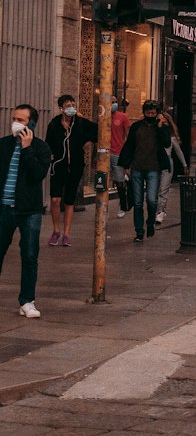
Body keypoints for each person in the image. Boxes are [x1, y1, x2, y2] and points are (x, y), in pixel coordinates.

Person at [0, 105, 51, 318]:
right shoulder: (3, 145)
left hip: (29, 210)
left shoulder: (41, 148)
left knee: (29, 255)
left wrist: (27, 148)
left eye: (21, 119)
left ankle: (27, 301)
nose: (15, 123)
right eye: (14, 118)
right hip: (4, 208)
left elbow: (36, 175)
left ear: (31, 124)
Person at [44, 94, 98, 247]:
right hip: (58, 166)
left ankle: (66, 233)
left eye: (73, 105)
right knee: (55, 199)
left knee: (69, 200)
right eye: (67, 106)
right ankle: (56, 231)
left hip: (75, 166)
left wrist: (87, 142)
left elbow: (99, 131)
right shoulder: (54, 124)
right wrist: (51, 157)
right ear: (61, 108)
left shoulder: (80, 123)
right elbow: (48, 143)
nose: (71, 108)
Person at [119, 100, 172, 243]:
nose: (150, 115)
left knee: (151, 200)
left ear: (157, 114)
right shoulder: (137, 127)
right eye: (148, 113)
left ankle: (150, 223)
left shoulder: (161, 127)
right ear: (144, 113)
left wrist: (161, 126)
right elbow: (129, 145)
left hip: (154, 169)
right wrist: (126, 165)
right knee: (137, 202)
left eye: (153, 113)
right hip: (137, 167)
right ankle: (139, 231)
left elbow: (167, 143)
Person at [155, 110, 188, 224]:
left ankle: (160, 212)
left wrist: (184, 165)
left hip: (167, 164)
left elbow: (178, 152)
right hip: (155, 163)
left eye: (162, 120)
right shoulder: (155, 133)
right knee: (156, 189)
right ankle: (161, 209)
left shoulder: (171, 137)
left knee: (163, 189)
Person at [110, 99, 132, 219]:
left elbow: (128, 136)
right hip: (104, 152)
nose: (114, 103)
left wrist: (127, 156)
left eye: (115, 101)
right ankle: (103, 206)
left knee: (119, 181)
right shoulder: (102, 116)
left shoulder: (123, 117)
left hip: (118, 152)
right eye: (112, 101)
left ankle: (123, 206)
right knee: (101, 182)